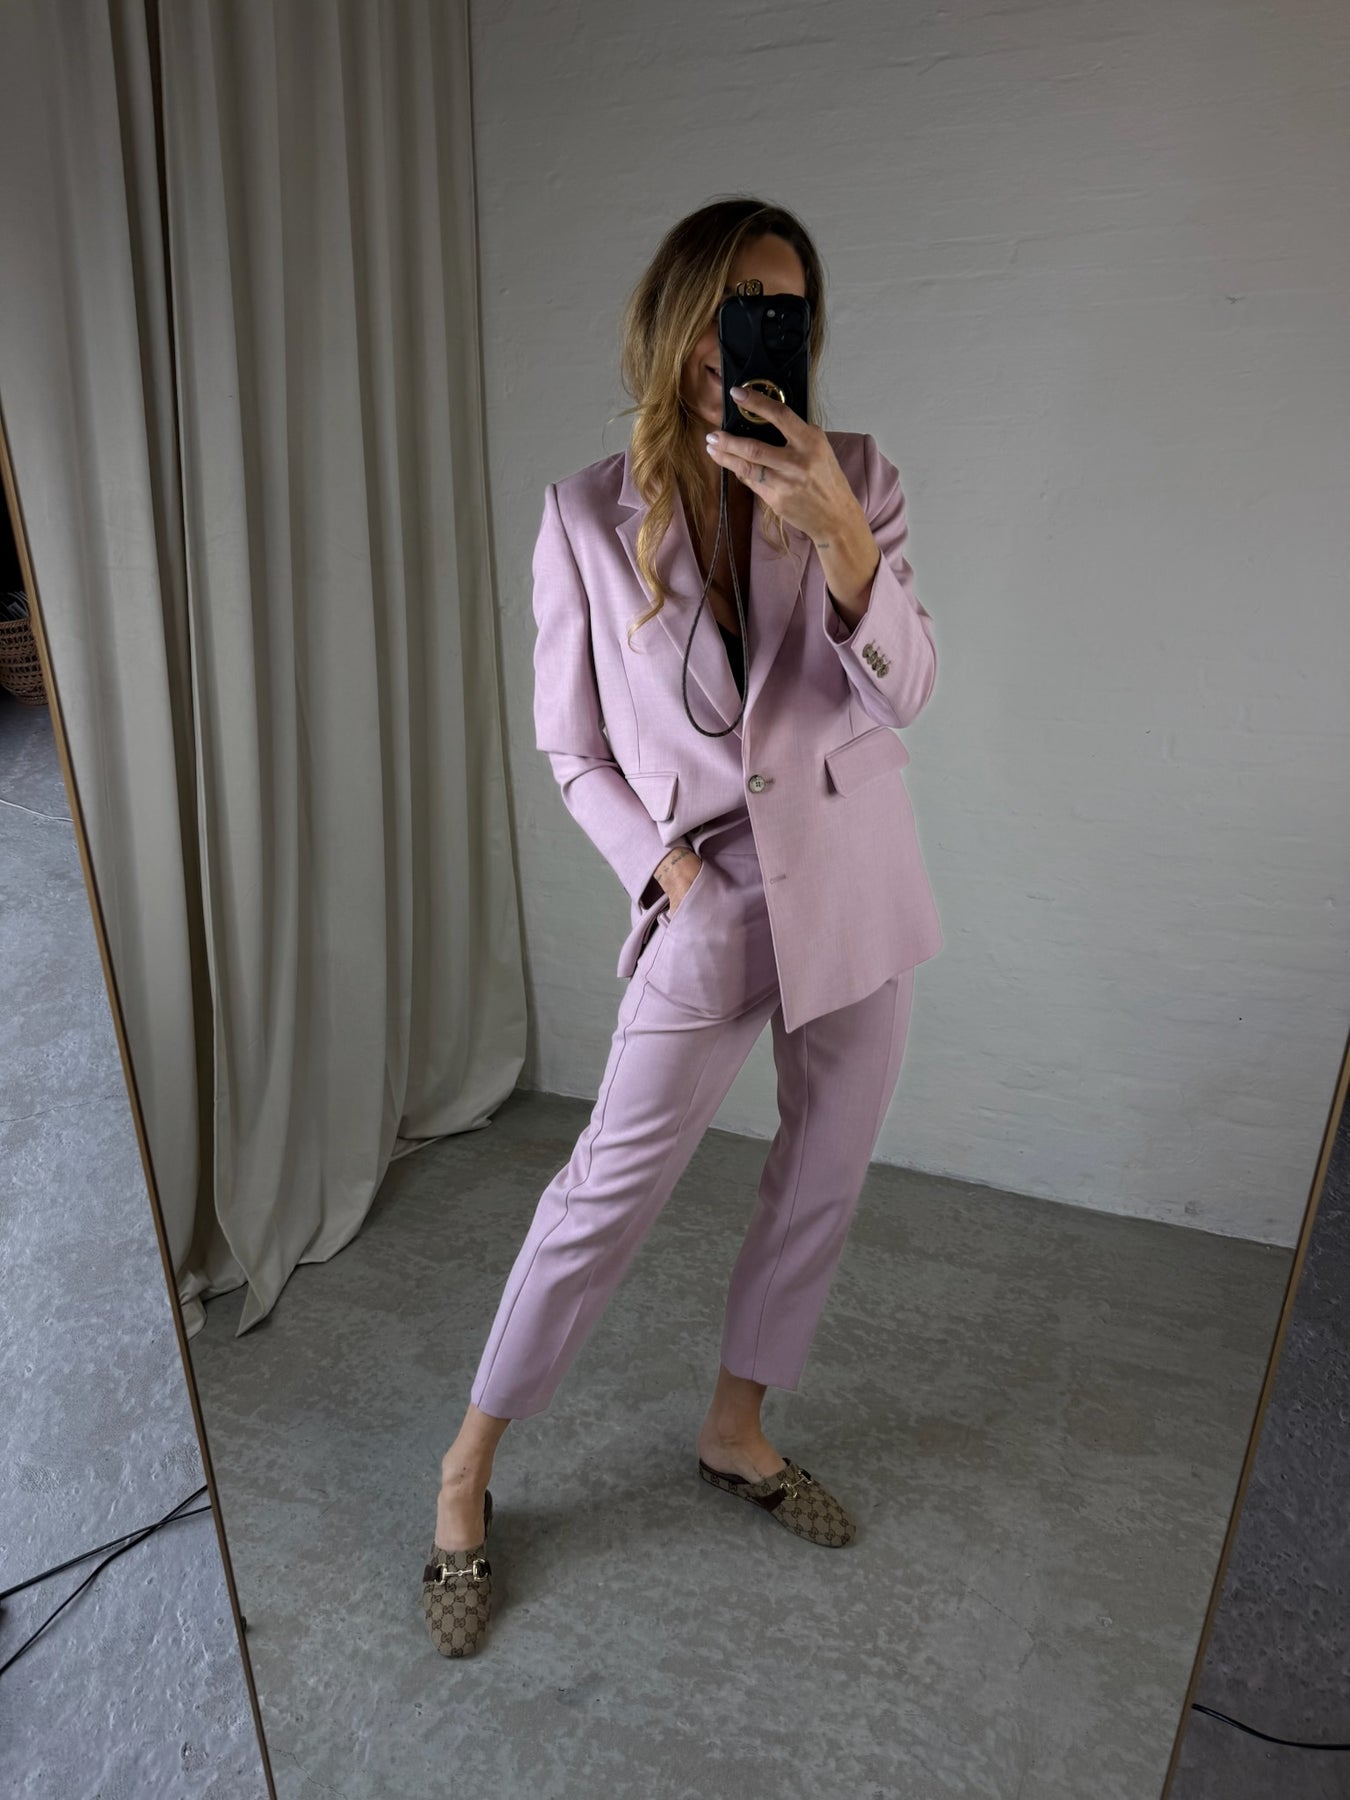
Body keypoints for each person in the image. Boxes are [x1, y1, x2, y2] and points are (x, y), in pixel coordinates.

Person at [421, 198, 944, 1658]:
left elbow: (906, 690)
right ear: (674, 318)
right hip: (708, 893)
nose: (748, 334)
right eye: (727, 303)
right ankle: (465, 1468)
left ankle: (736, 1426)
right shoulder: (585, 516)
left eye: (780, 309)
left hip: (853, 881)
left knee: (820, 1176)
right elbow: (570, 746)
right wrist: (663, 873)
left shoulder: (855, 476)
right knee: (606, 1189)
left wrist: (839, 537)